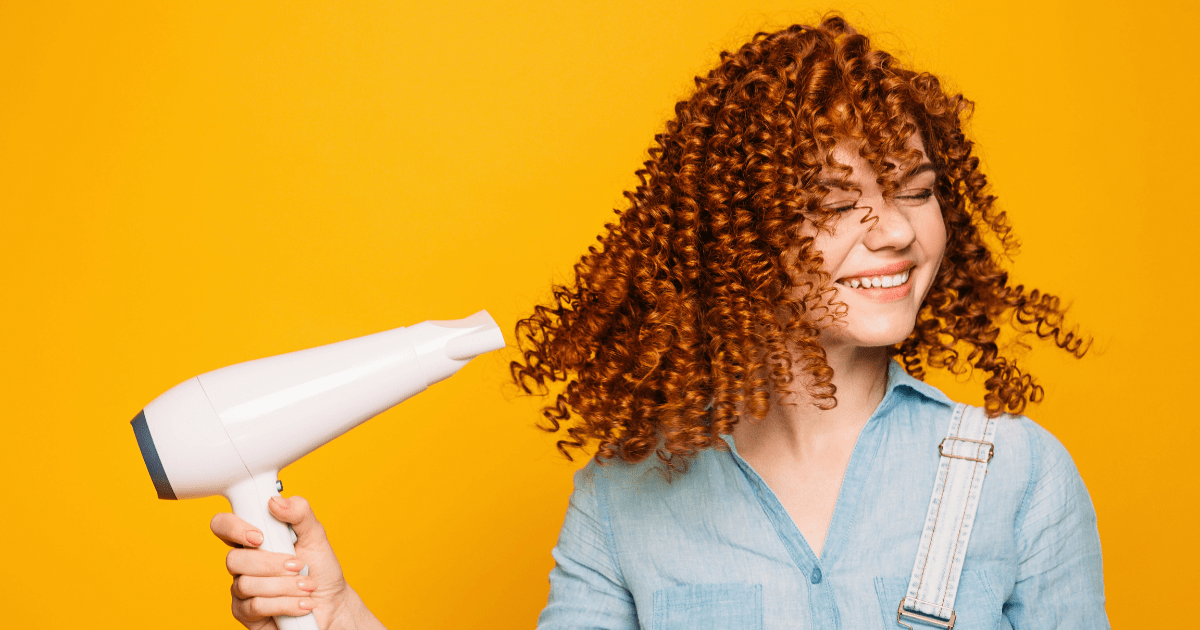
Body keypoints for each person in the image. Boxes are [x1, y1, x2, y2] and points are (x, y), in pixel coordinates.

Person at [210, 15, 1108, 629]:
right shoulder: (622, 499)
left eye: (915, 193)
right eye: (839, 203)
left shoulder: (1017, 476)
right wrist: (334, 612)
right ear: (742, 233)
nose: (899, 233)